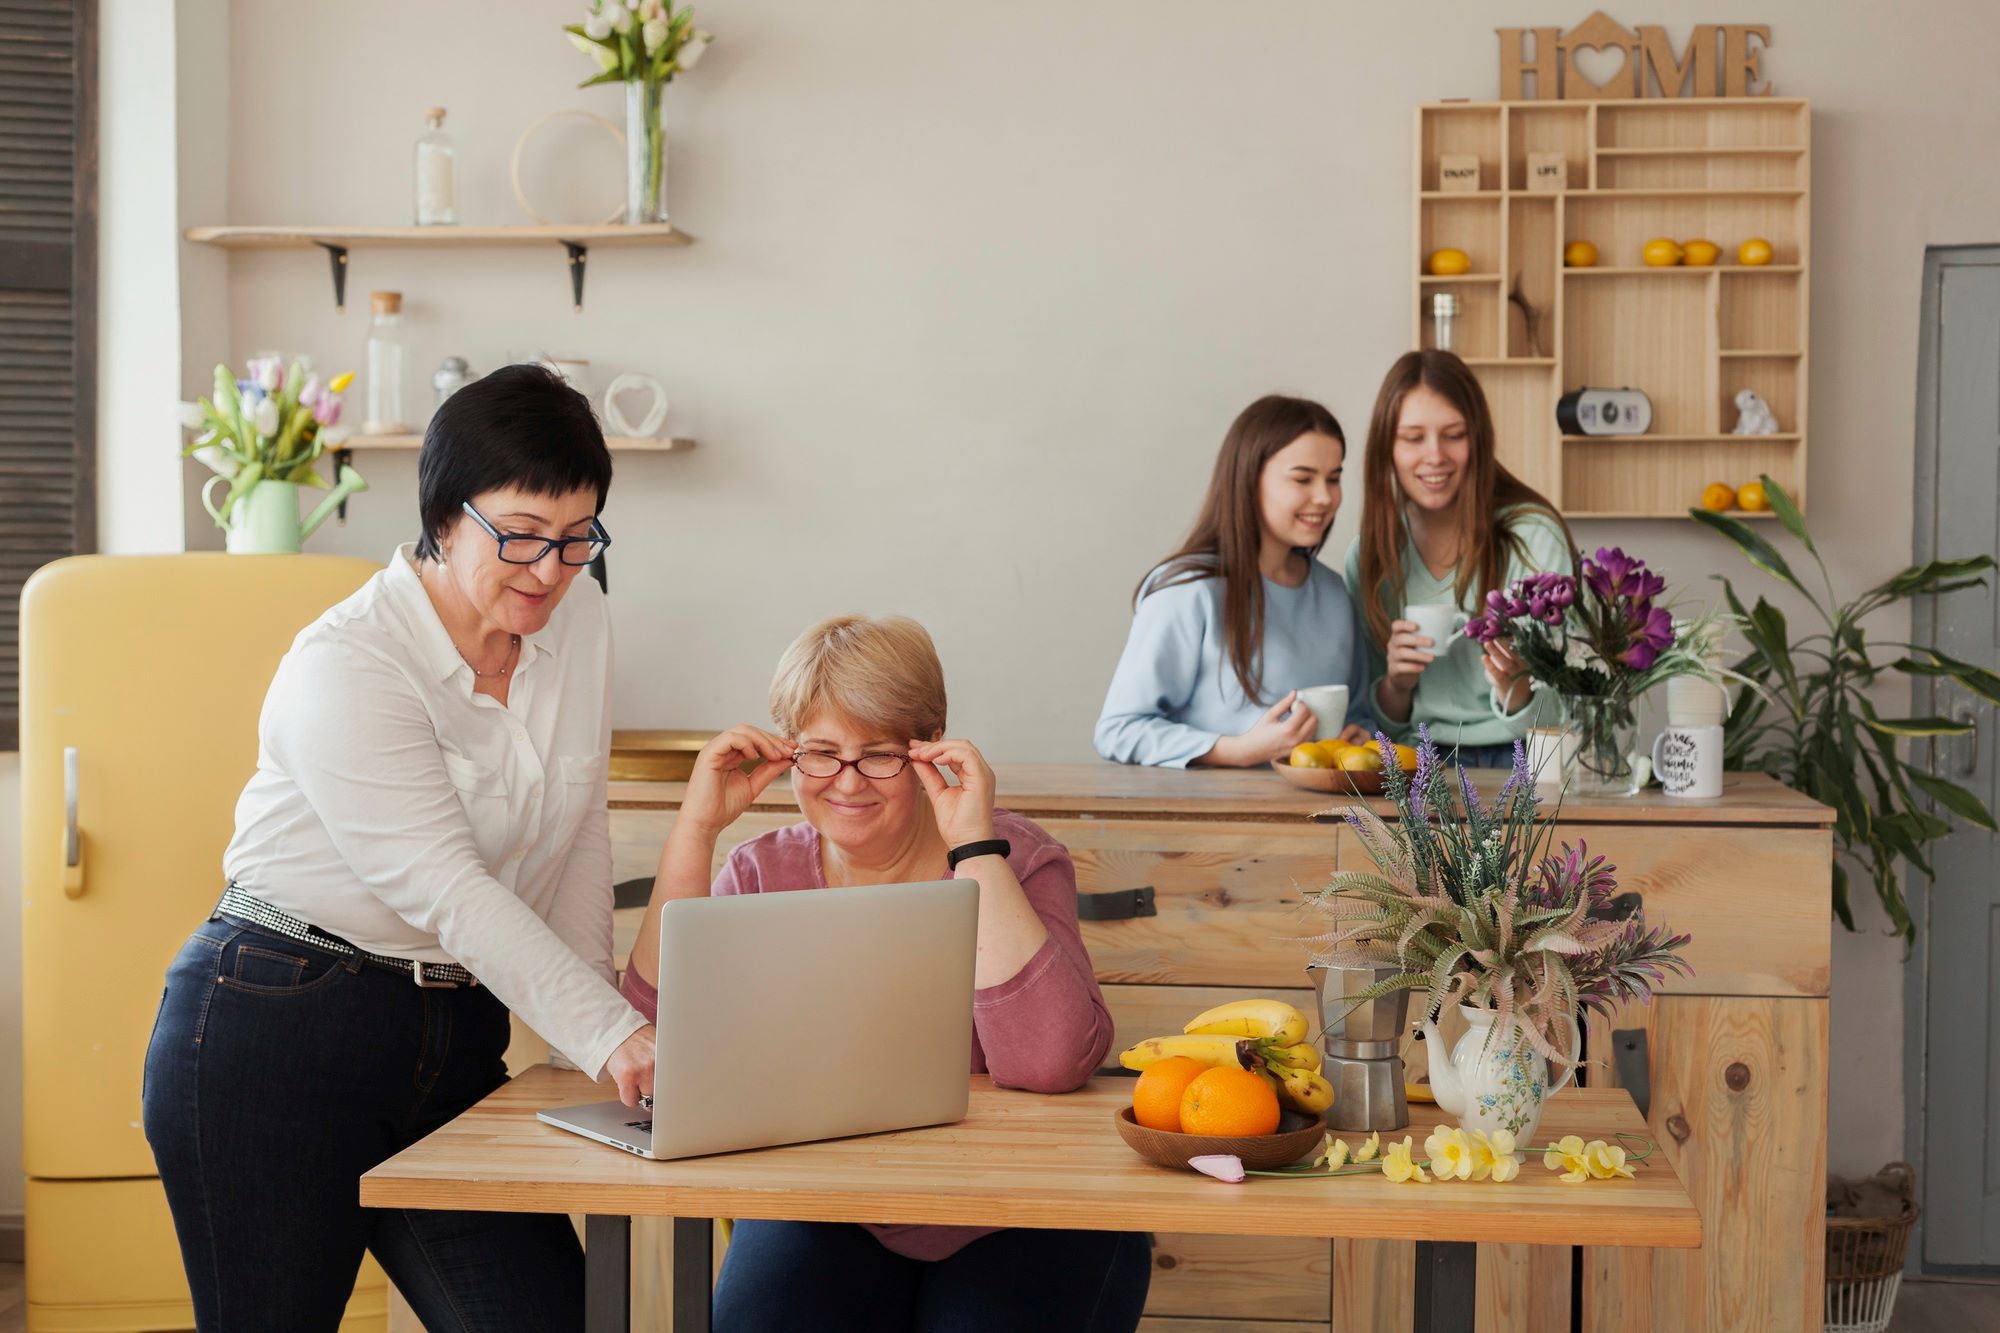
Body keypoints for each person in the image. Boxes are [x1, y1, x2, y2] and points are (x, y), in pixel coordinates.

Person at [142, 364, 654, 1332]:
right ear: (443, 516)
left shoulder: (577, 618)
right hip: (276, 1026)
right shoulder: (348, 662)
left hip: (453, 1032)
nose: (548, 569)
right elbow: (446, 886)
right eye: (519, 536)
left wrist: (590, 1029)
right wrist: (611, 1033)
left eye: (577, 537)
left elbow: (579, 814)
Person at [626, 614, 1149, 1333]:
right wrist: (696, 828)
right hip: (831, 1208)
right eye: (820, 753)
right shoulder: (760, 871)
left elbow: (1051, 1059)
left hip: (1022, 1210)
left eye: (877, 755)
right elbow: (652, 1045)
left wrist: (974, 845)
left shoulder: (1014, 857)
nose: (846, 782)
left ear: (929, 750)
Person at [1095, 394, 1376, 767]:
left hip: (1325, 820)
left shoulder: (1334, 593)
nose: (1324, 497)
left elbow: (1358, 713)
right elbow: (1119, 729)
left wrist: (1361, 735)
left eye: (1334, 478)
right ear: (1249, 479)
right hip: (1217, 819)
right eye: (1303, 479)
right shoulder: (1190, 592)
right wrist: (1239, 750)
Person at [1343, 350, 1575, 766]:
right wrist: (1397, 684)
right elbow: (1374, 724)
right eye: (1414, 438)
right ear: (1387, 448)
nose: (1435, 456)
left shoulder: (1532, 537)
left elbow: (1571, 704)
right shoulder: (1371, 556)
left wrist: (1518, 690)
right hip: (1416, 762)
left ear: (1478, 439)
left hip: (1526, 756)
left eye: (1453, 434)